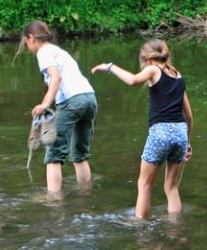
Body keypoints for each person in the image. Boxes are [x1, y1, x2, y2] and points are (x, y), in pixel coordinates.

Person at [91, 39, 194, 219]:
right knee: (171, 186)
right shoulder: (178, 75)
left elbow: (132, 80)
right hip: (180, 132)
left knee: (144, 183)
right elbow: (189, 116)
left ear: (147, 59)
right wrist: (188, 142)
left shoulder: (153, 69)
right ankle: (177, 227)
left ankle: (141, 229)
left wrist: (109, 67)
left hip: (160, 131)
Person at [21, 21, 99, 194]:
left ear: (31, 38)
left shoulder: (43, 52)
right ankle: (85, 195)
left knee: (53, 154)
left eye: (26, 42)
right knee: (80, 154)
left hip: (72, 101)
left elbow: (56, 78)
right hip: (90, 98)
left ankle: (53, 199)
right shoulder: (59, 51)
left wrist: (45, 104)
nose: (28, 46)